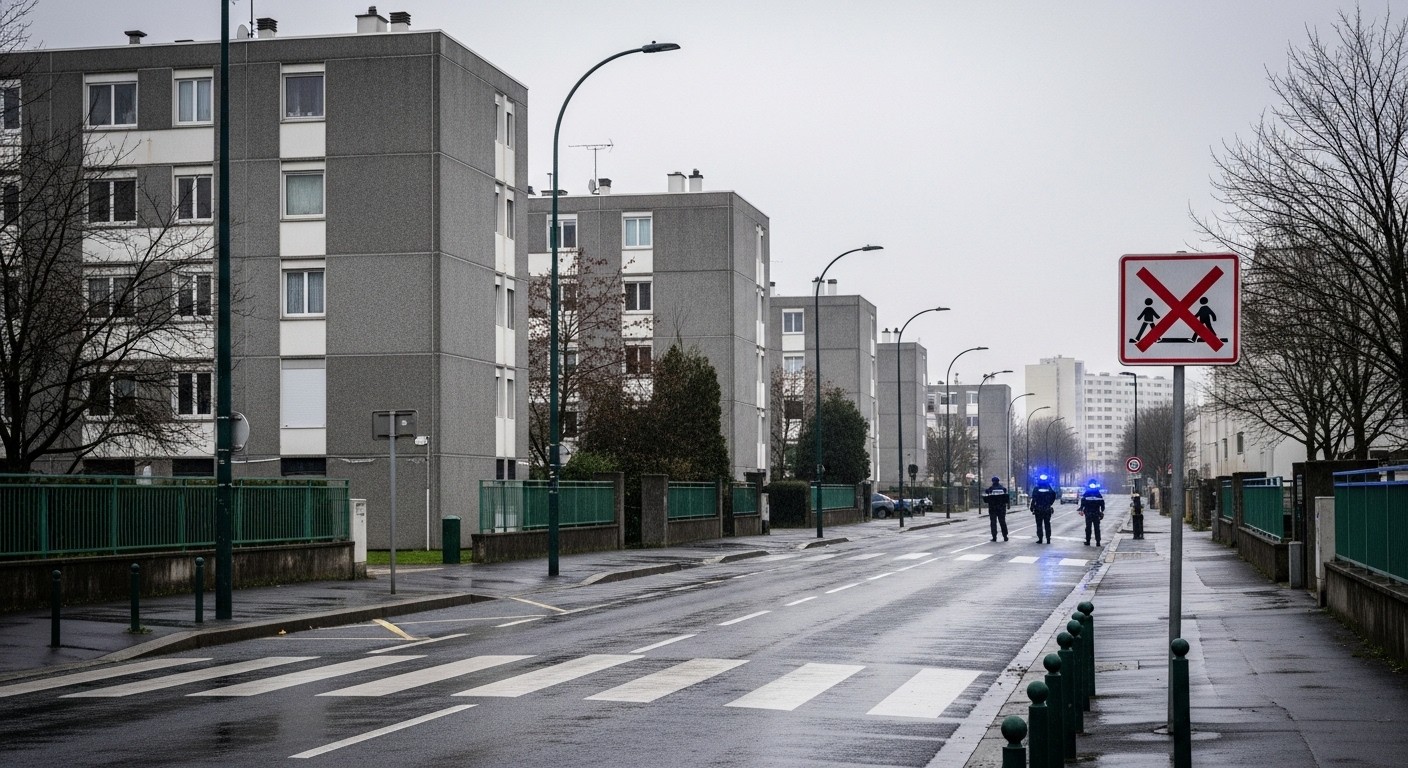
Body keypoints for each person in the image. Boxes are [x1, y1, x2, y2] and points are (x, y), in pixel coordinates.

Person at [1029, 474, 1057, 544]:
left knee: (1039, 524)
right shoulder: (1049, 488)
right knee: (1047, 524)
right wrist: (1050, 503)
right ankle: (1048, 539)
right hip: (1047, 508)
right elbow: (1053, 495)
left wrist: (1032, 507)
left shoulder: (1036, 488)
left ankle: (1040, 538)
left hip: (1038, 508)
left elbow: (1034, 498)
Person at [1078, 480, 1106, 546]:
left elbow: (1102, 503)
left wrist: (1102, 510)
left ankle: (1097, 542)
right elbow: (1083, 502)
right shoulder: (1089, 493)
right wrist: (1081, 509)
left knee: (1095, 528)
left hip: (1093, 513)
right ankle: (1090, 541)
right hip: (1091, 513)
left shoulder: (1096, 493)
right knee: (1089, 528)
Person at [982, 476, 1009, 542]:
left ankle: (994, 537)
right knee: (1002, 522)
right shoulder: (1003, 489)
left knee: (993, 523)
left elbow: (986, 498)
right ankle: (1005, 536)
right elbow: (1006, 499)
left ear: (993, 481)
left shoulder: (990, 489)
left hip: (993, 508)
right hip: (1001, 508)